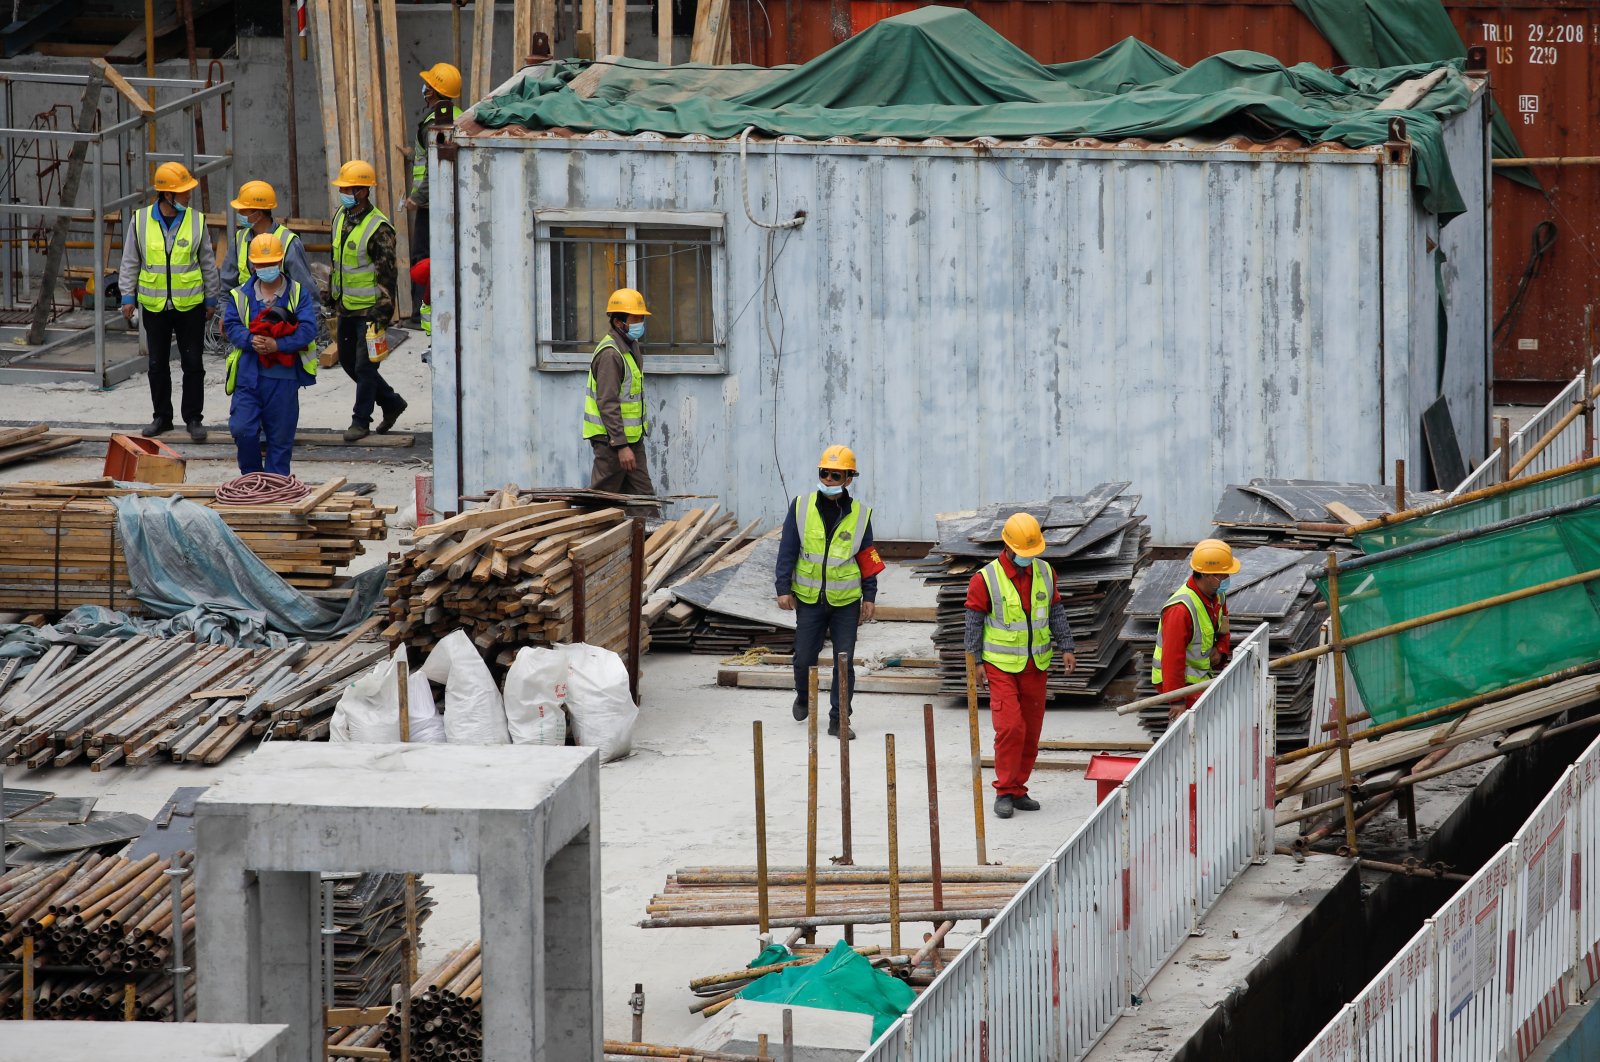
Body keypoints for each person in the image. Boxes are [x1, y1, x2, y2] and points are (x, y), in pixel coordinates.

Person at [964, 512, 1077, 819]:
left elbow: (1056, 612)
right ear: (1009, 546)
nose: (1029, 558)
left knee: (1030, 731)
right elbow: (973, 623)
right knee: (1010, 727)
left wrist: (1066, 646)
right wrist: (974, 662)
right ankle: (1003, 790)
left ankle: (1018, 789)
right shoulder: (985, 579)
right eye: (1024, 553)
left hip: (1035, 664)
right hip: (1000, 666)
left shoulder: (1045, 572)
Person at [775, 445, 880, 739]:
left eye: (836, 475)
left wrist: (869, 596)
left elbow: (868, 556)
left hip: (846, 602)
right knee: (804, 657)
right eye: (825, 473)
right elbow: (788, 549)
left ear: (848, 479)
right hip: (809, 599)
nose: (829, 479)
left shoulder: (860, 514)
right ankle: (802, 694)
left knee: (843, 662)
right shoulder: (801, 506)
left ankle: (839, 719)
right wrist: (783, 587)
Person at [118, 161, 220, 441]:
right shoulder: (140, 220)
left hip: (191, 306)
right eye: (184, 191)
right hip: (154, 306)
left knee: (193, 364)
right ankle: (162, 417)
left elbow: (208, 263)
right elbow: (130, 261)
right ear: (167, 194)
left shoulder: (196, 220)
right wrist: (128, 296)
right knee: (157, 365)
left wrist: (211, 298)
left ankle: (193, 418)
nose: (189, 195)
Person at [222, 234, 320, 477]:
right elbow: (232, 326)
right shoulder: (241, 295)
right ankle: (253, 479)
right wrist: (249, 339)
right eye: (261, 265)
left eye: (272, 264)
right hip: (249, 375)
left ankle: (275, 487)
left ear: (281, 262)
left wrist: (279, 344)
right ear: (252, 265)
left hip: (283, 378)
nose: (266, 269)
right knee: (242, 429)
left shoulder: (298, 293)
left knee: (280, 438)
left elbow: (309, 329)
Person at [327, 159, 406, 442]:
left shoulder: (379, 229)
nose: (344, 192)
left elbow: (388, 277)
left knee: (365, 366)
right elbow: (337, 261)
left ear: (362, 191)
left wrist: (381, 316)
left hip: (370, 311)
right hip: (346, 306)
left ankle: (361, 421)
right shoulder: (341, 217)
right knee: (349, 363)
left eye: (348, 188)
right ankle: (391, 401)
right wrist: (331, 295)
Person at [1153, 538, 1238, 721]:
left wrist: (1221, 649)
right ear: (1208, 575)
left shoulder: (1217, 595)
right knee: (1191, 731)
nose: (1227, 580)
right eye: (1223, 575)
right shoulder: (1180, 610)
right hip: (1181, 682)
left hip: (1200, 676)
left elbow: (1223, 625)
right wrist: (1176, 699)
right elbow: (1172, 658)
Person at [581, 288, 654, 494]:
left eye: (641, 318)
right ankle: (590, 527)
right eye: (635, 318)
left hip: (632, 441)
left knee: (644, 499)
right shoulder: (611, 354)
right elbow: (607, 402)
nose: (640, 323)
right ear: (618, 322)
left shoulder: (630, 346)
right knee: (604, 501)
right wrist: (621, 446)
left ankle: (651, 527)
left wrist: (629, 444)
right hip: (611, 443)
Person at [403, 63, 462, 316]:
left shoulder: (432, 124)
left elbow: (434, 166)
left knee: (422, 259)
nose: (424, 90)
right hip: (450, 201)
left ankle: (421, 311)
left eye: (428, 86)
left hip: (430, 204)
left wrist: (417, 198)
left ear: (434, 92)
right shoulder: (459, 115)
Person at [220, 180, 318, 297]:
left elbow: (306, 291)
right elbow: (227, 289)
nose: (239, 213)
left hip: (280, 313)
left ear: (259, 214)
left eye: (243, 210)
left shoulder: (289, 242)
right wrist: (226, 313)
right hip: (246, 314)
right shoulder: (239, 239)